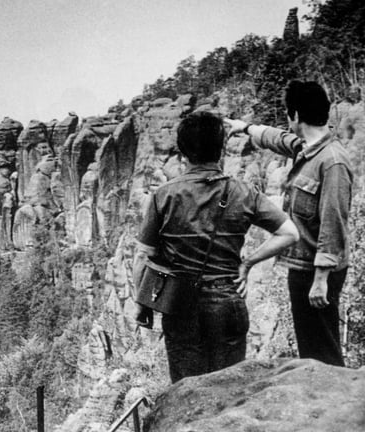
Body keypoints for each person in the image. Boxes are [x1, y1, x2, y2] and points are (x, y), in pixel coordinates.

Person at [133, 111, 299, 383]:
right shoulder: (244, 192)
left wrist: (142, 304)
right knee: (229, 390)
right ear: (220, 149)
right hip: (227, 302)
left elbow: (144, 255)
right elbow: (289, 233)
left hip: (180, 304)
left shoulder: (164, 195)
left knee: (187, 393)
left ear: (183, 152)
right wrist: (248, 263)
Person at [225, 80, 353, 367]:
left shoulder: (332, 161)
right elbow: (277, 138)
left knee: (323, 350)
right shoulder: (307, 148)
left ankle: (332, 403)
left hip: (319, 272)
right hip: (303, 267)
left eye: (288, 115)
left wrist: (321, 279)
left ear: (295, 116)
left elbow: (334, 223)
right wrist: (245, 127)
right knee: (311, 347)